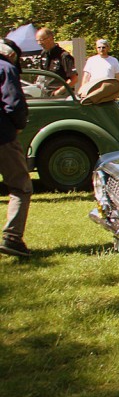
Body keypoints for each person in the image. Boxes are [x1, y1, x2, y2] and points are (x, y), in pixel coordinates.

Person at [0, 39, 32, 257]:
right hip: (2, 137)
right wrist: (18, 126)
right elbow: (13, 104)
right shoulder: (6, 68)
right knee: (21, 186)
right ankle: (12, 237)